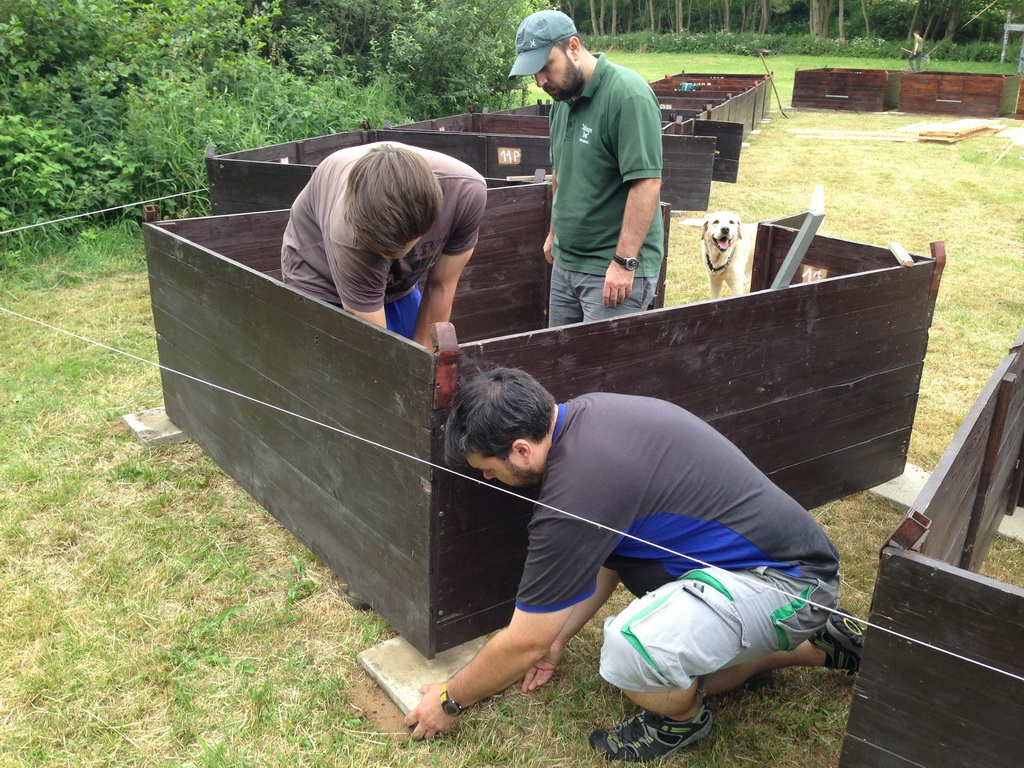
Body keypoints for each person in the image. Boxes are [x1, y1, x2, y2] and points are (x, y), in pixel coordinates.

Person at [404, 367, 866, 762]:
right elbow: (611, 558)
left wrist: (449, 700)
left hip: (788, 582)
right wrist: (559, 638)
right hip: (766, 570)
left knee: (634, 652)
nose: (488, 478)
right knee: (697, 673)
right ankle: (818, 644)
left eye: (488, 468)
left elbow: (525, 641)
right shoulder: (588, 418)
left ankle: (683, 722)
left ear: (521, 450)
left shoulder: (578, 491)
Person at [507, 11, 664, 327]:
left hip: (610, 271)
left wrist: (624, 262)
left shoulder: (627, 94)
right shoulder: (561, 103)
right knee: (559, 356)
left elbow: (646, 183)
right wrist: (554, 233)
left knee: (601, 360)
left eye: (545, 67)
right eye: (533, 73)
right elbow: (560, 172)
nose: (540, 81)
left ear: (574, 47)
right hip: (566, 264)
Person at [281, 142, 487, 348]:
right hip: (321, 276)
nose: (391, 259)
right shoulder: (347, 232)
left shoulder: (466, 194)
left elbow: (442, 285)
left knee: (418, 352)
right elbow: (377, 349)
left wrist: (427, 361)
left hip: (398, 282)